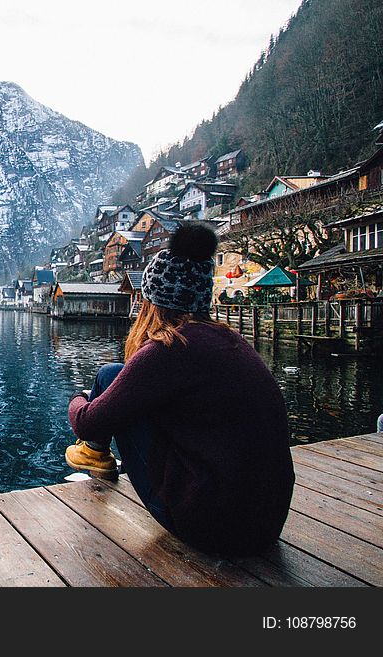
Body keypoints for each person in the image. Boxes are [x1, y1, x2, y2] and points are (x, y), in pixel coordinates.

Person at [65, 223, 295, 556]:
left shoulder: (167, 349)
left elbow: (86, 421)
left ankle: (94, 453)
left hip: (212, 526)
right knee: (115, 375)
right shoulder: (232, 341)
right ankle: (96, 452)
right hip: (268, 522)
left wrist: (80, 399)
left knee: (110, 388)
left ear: (152, 302)